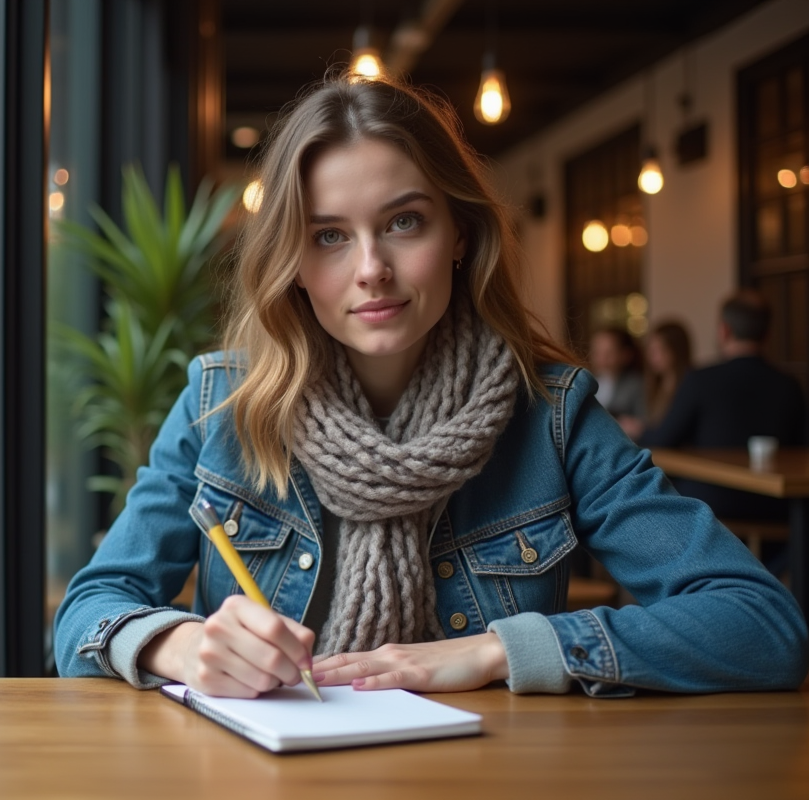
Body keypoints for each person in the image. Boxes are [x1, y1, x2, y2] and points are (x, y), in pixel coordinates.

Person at [53, 74, 807, 699]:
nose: (371, 267)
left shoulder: (550, 414)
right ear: (291, 260)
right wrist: (181, 647)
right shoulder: (222, 406)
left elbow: (763, 626)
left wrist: (500, 650)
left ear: (461, 237)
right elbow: (87, 612)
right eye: (328, 236)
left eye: (404, 222)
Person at [641, 291, 807, 521]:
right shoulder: (790, 386)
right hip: (779, 510)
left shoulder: (700, 380)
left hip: (711, 507)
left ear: (724, 330)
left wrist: (638, 430)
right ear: (768, 335)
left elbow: (662, 441)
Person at [589, 326, 645, 428]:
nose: (602, 359)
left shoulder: (635, 385)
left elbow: (642, 422)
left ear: (625, 355)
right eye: (597, 353)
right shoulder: (588, 382)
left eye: (609, 353)